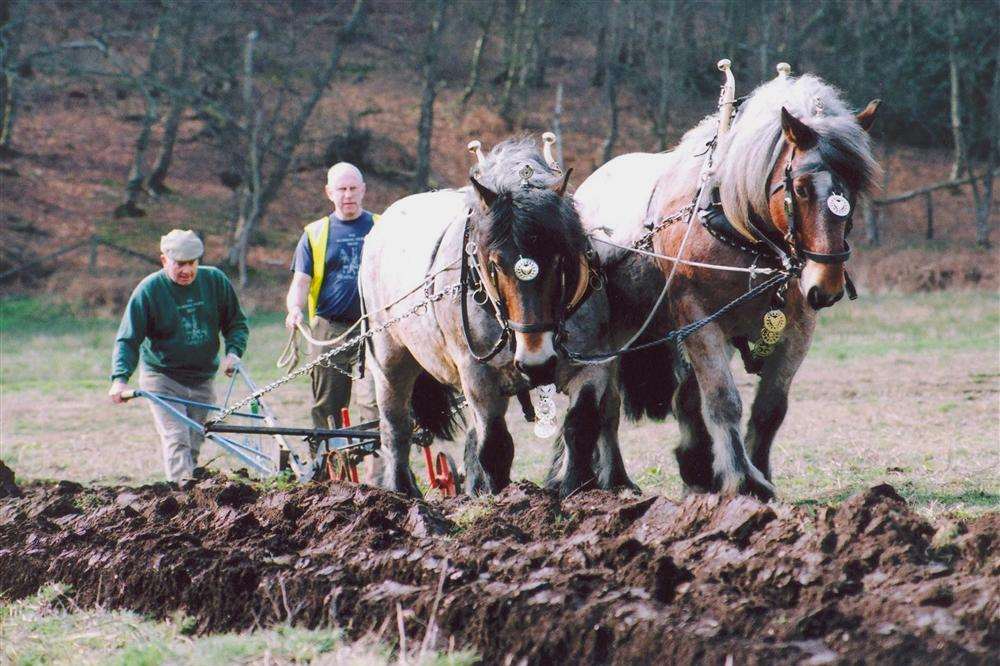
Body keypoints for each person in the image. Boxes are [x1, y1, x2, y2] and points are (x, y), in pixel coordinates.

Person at [109, 229, 249, 483]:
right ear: (164, 260)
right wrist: (120, 378)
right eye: (179, 264)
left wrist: (233, 352)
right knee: (177, 439)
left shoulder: (215, 281)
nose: (186, 271)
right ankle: (183, 495)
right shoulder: (150, 290)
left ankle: (188, 502)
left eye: (192, 263)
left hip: (202, 378)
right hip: (162, 377)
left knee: (194, 442)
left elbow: (236, 323)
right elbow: (128, 339)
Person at [285, 162, 378, 435]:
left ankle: (381, 474)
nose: (348, 195)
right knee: (328, 406)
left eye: (353, 189)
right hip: (329, 330)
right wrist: (294, 309)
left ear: (363, 190)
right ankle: (328, 470)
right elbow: (301, 281)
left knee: (375, 403)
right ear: (329, 192)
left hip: (374, 328)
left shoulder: (383, 226)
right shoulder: (314, 233)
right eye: (341, 189)